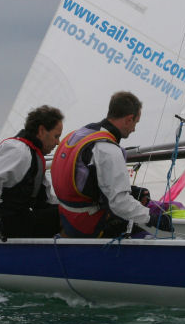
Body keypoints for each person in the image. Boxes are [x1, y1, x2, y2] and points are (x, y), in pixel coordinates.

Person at [52, 91, 169, 238]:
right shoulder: (108, 150)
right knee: (148, 239)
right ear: (129, 119)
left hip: (67, 218)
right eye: (135, 123)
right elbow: (119, 203)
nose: (134, 129)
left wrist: (131, 191)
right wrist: (152, 218)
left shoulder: (79, 134)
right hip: (88, 224)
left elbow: (89, 178)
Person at [0, 105, 65, 240]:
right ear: (41, 131)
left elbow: (47, 199)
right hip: (7, 226)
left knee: (69, 214)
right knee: (65, 217)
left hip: (22, 218)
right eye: (56, 136)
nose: (58, 143)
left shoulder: (33, 154)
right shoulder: (18, 150)